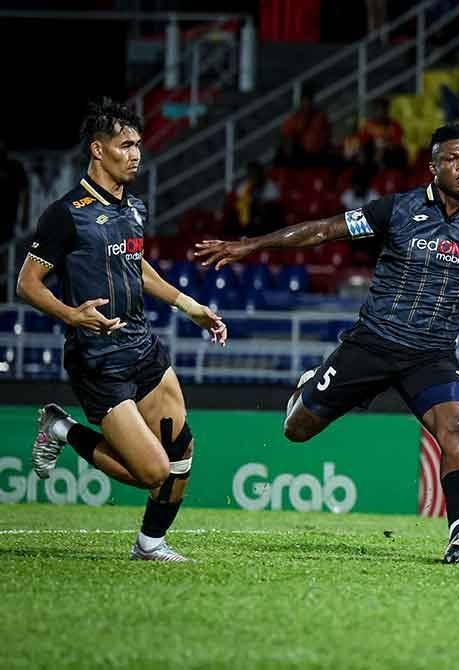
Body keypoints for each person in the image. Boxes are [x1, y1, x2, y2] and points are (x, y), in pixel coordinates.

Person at [194, 123, 459, 564]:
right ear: (433, 166)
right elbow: (325, 230)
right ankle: (308, 386)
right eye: (453, 159)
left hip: (431, 355)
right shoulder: (396, 209)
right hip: (372, 343)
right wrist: (251, 245)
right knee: (297, 430)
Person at [17, 98, 228, 562]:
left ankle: (150, 544)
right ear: (98, 149)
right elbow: (27, 283)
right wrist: (72, 315)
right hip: (98, 359)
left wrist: (189, 306)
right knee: (153, 473)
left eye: (138, 145)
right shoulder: (65, 213)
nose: (136, 155)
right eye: (126, 145)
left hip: (143, 347)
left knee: (181, 452)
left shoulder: (133, 208)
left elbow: (137, 267)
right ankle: (60, 427)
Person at [224, 160, 283, 238]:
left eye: (254, 173)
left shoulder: (270, 186)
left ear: (260, 173)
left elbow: (272, 205)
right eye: (250, 173)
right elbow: (238, 201)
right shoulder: (245, 186)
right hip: (248, 217)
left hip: (265, 218)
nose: (253, 175)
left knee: (267, 211)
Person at [278, 87, 331, 166]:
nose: (307, 103)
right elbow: (285, 140)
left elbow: (327, 135)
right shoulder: (292, 121)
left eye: (309, 100)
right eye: (304, 100)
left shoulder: (320, 117)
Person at [0, 137, 29, 244]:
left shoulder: (14, 166)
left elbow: (24, 192)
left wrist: (25, 217)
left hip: (9, 218)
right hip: (9, 218)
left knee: (6, 244)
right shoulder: (15, 166)